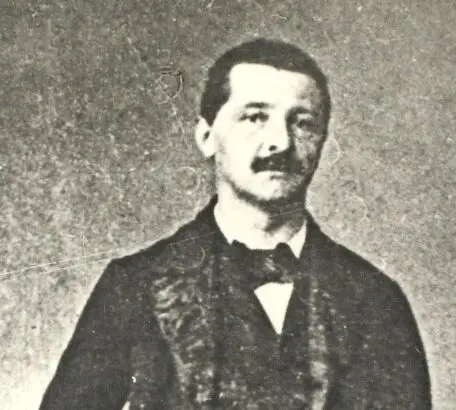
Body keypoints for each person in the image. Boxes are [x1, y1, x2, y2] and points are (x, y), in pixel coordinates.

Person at [40, 38, 431, 409]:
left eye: (302, 123)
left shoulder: (376, 299)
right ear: (207, 136)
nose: (281, 142)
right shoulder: (134, 286)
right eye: (255, 117)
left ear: (322, 142)